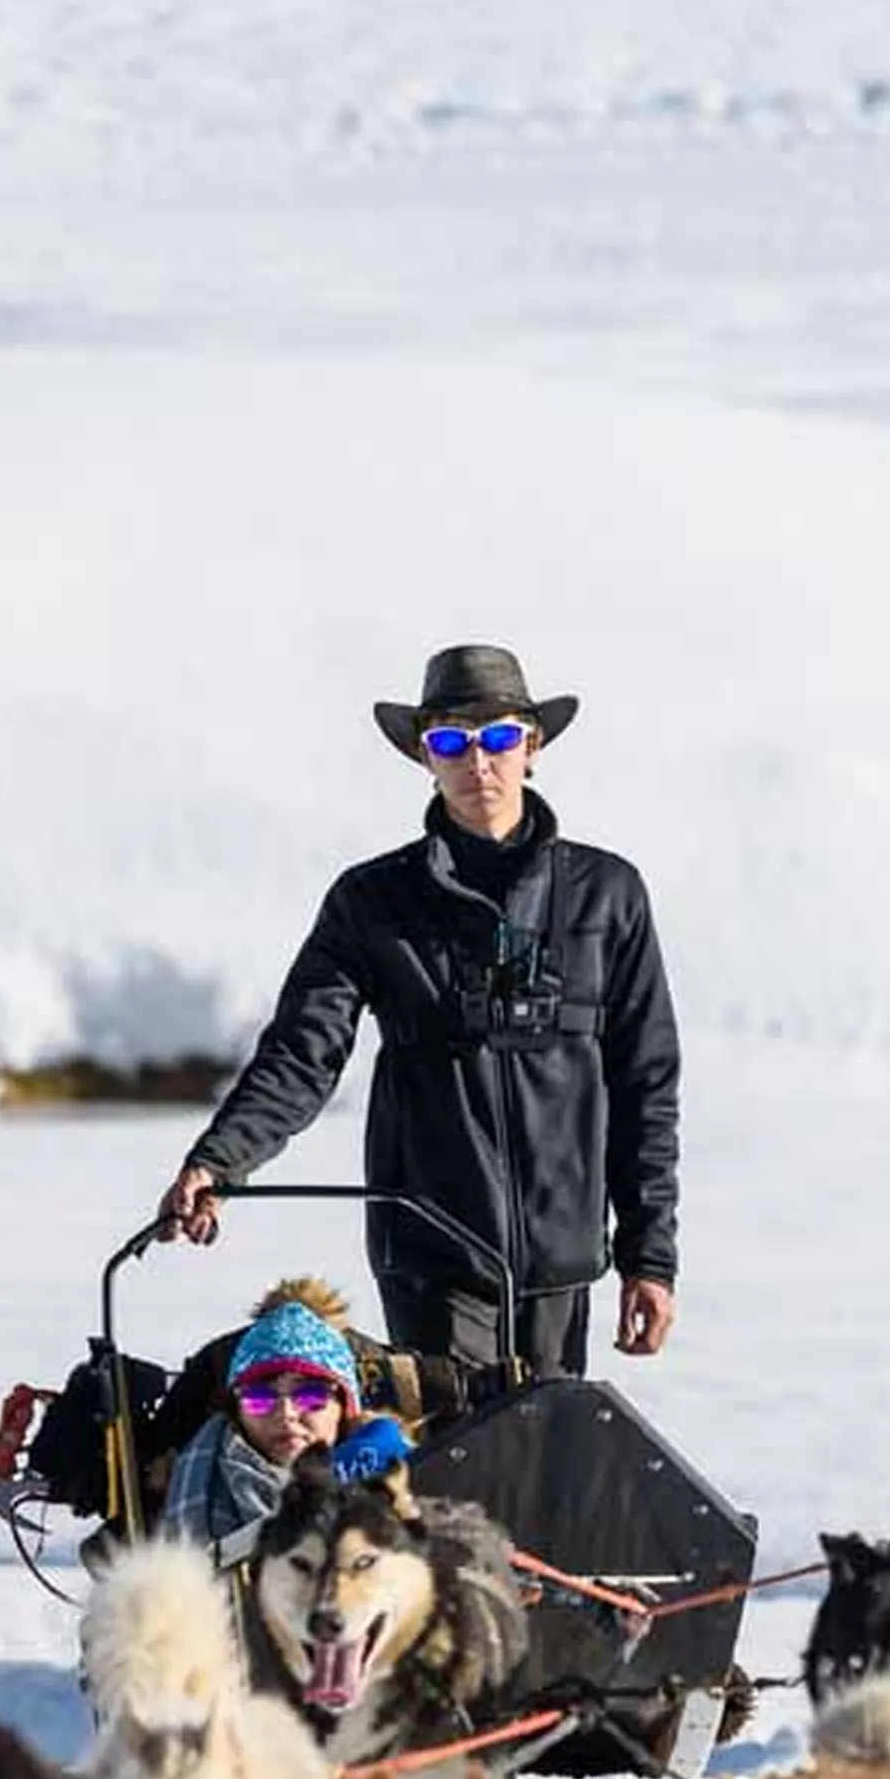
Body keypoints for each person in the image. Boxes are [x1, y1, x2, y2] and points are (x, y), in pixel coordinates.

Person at [154, 642, 679, 1381]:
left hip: (563, 1260)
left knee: (548, 1470)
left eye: (498, 737)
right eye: (450, 742)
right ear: (423, 758)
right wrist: (221, 1159)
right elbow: (302, 1056)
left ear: (533, 746)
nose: (478, 761)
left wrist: (648, 1257)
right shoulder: (372, 903)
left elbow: (645, 1086)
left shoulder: (607, 894)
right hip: (434, 1256)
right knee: (456, 1471)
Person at [157, 1279, 364, 1548]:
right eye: (259, 1398)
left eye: (311, 1396)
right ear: (237, 1413)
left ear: (345, 1408)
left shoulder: (395, 1475)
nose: (286, 1413)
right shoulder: (203, 1495)